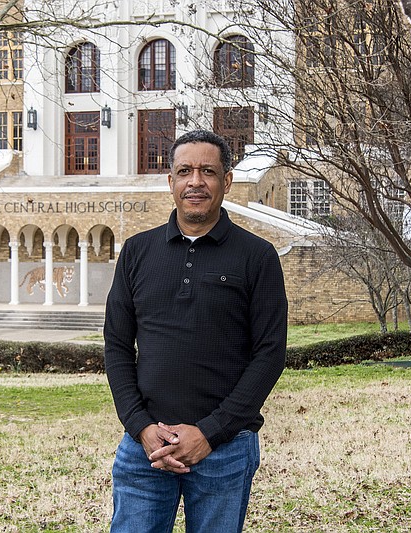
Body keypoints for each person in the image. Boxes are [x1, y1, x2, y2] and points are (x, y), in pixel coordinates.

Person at [104, 129, 288, 532]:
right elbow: (117, 345)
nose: (196, 181)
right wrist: (140, 427)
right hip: (144, 449)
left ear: (227, 181)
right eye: (185, 171)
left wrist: (210, 433)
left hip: (224, 448)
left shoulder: (257, 257)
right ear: (171, 181)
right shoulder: (137, 251)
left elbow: (270, 353)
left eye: (208, 171)